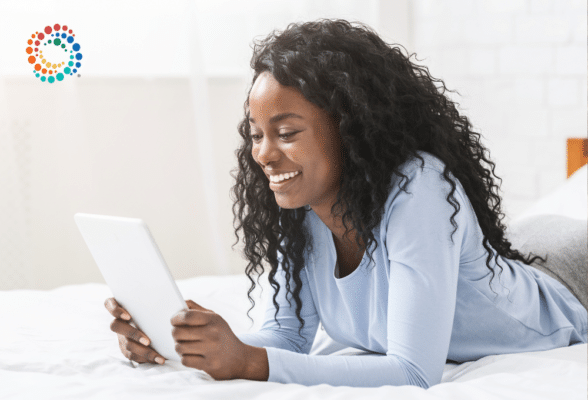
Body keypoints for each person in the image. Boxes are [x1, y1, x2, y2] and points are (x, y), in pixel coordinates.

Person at [104, 19, 588, 388]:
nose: (264, 154)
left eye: (287, 133)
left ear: (350, 127)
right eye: (256, 135)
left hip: (569, 273)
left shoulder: (416, 187)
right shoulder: (301, 205)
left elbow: (415, 374)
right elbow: (287, 338)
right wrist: (191, 343)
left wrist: (252, 363)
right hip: (523, 254)